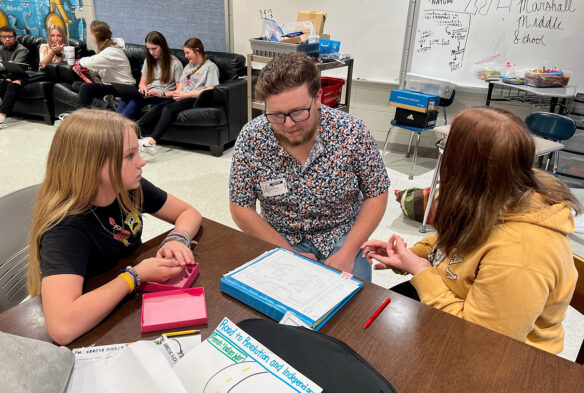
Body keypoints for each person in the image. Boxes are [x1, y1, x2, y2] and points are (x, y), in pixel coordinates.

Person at [361, 107, 581, 353]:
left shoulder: (521, 254)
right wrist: (412, 257)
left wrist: (421, 271)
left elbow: (481, 343)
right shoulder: (495, 195)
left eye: (447, 145)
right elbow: (457, 240)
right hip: (454, 304)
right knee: (370, 331)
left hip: (498, 356)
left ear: (463, 166)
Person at [27, 108, 202, 345]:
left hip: (122, 306)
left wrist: (177, 237)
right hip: (93, 323)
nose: (141, 162)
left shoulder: (129, 187)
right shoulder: (65, 229)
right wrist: (135, 276)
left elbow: (188, 212)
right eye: (129, 156)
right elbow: (62, 326)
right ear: (92, 165)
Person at [229, 53, 389, 282]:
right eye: (275, 115)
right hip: (279, 236)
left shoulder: (352, 132)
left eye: (297, 112)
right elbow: (241, 206)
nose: (288, 124)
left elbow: (377, 193)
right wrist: (287, 252)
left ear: (318, 98)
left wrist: (348, 251)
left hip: (342, 234)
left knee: (352, 309)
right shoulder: (251, 138)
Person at [137, 37, 219, 150]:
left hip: (196, 98)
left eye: (187, 53)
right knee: (158, 108)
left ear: (197, 51)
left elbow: (210, 89)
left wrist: (185, 95)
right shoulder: (188, 67)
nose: (185, 56)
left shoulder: (210, 67)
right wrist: (163, 95)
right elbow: (179, 90)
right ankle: (134, 132)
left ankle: (152, 140)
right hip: (182, 96)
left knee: (169, 109)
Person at [116, 31, 183, 119]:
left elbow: (179, 91)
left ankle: (118, 124)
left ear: (162, 46)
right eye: (148, 49)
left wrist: (162, 94)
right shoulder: (149, 60)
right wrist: (143, 88)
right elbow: (142, 83)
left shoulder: (176, 64)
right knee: (126, 96)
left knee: (137, 100)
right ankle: (116, 123)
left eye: (154, 48)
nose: (151, 52)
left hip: (163, 96)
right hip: (149, 94)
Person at [74, 20, 134, 107]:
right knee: (76, 84)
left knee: (85, 88)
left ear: (96, 35)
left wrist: (79, 62)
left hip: (123, 88)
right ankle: (106, 97)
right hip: (111, 84)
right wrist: (90, 71)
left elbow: (92, 62)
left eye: (91, 33)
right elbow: (100, 67)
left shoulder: (112, 51)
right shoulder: (106, 50)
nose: (90, 35)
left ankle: (79, 117)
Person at [0, 25, 29, 124]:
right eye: (4, 37)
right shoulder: (1, 48)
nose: (7, 39)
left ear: (15, 38)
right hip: (9, 75)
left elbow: (13, 66)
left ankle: (2, 117)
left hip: (24, 76)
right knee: (5, 83)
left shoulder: (22, 50)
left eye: (10, 36)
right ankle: (6, 112)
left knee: (12, 84)